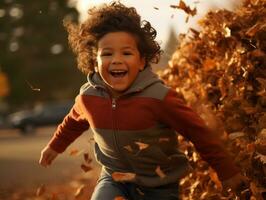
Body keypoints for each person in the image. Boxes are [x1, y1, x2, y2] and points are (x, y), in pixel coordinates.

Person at [39, 1, 248, 199]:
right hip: (114, 178)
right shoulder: (88, 97)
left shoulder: (159, 97)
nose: (116, 60)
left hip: (159, 184)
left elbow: (198, 132)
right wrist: (54, 146)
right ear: (94, 61)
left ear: (142, 61)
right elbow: (73, 122)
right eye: (107, 53)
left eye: (127, 53)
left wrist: (227, 171)